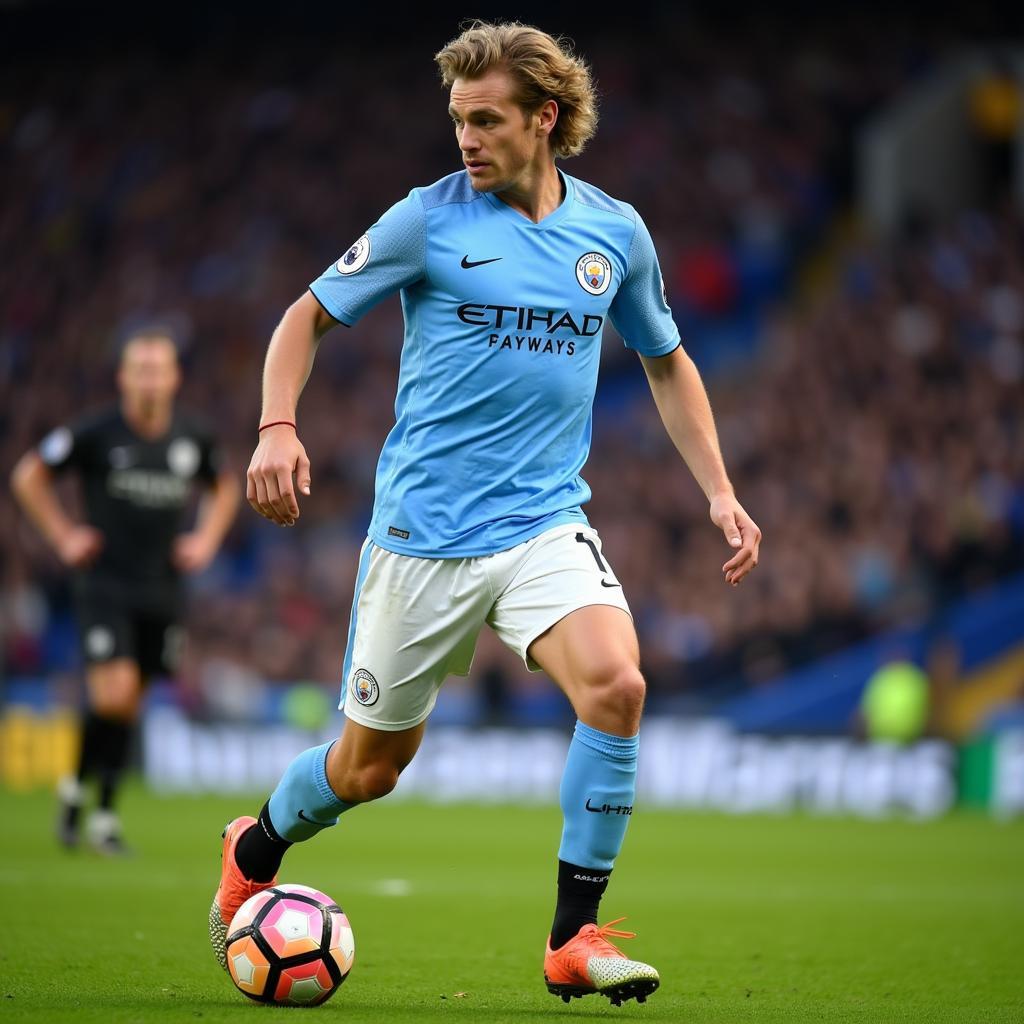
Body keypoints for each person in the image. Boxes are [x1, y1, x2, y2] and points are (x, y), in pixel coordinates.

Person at [210, 21, 761, 1006]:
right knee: (369, 768)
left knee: (617, 686)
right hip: (423, 536)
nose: (465, 138)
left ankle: (572, 936)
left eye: (487, 119)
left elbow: (666, 360)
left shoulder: (613, 235)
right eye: (458, 119)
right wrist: (276, 426)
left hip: (545, 520)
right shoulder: (426, 221)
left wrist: (718, 490)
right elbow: (304, 316)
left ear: (544, 120)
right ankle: (254, 839)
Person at [11, 329, 239, 853]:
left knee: (130, 701)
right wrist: (65, 534)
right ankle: (93, 808)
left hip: (162, 587)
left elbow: (225, 486)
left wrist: (205, 539)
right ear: (123, 377)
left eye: (159, 370)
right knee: (112, 694)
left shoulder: (192, 437)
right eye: (141, 369)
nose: (150, 380)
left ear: (175, 378)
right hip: (105, 583)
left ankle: (90, 804)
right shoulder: (96, 432)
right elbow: (29, 475)